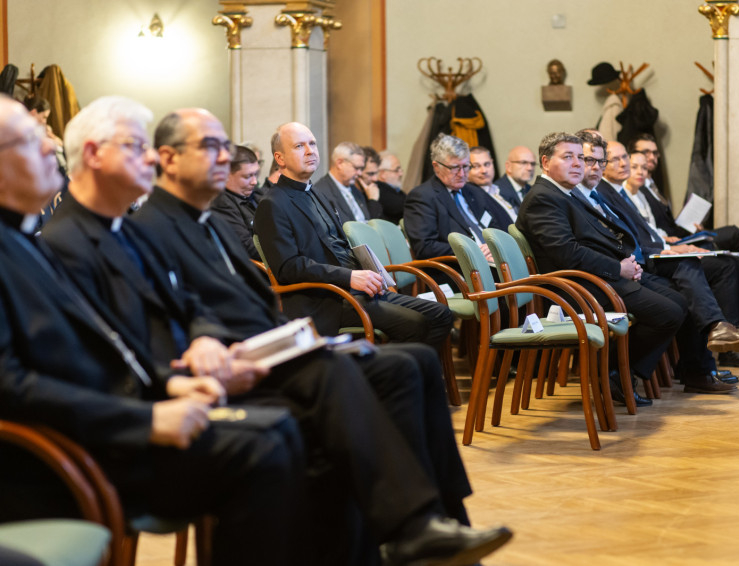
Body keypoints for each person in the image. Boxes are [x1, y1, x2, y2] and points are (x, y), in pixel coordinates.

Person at [41, 98, 512, 565]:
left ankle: (433, 524)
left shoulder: (186, 223)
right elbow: (121, 344)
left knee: (405, 366)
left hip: (246, 355)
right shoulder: (111, 234)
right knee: (335, 386)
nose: (225, 157)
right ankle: (409, 529)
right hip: (193, 390)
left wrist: (214, 337)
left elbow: (191, 309)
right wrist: (191, 368)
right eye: (210, 147)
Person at [0, 94, 302, 566]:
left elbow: (108, 348)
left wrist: (171, 383)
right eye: (28, 139)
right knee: (263, 446)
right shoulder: (46, 242)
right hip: (67, 457)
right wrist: (146, 418)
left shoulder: (25, 241)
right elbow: (11, 385)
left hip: (110, 425)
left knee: (281, 429)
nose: (48, 148)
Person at [516, 132, 739, 395]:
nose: (578, 163)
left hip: (596, 277)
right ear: (546, 162)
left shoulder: (564, 194)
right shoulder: (543, 198)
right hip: (578, 288)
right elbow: (567, 253)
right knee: (669, 312)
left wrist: (626, 263)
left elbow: (595, 240)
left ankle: (621, 373)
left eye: (580, 157)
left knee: (681, 301)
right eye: (568, 157)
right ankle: (612, 370)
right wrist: (618, 267)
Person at [255, 122, 454, 349]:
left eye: (313, 144)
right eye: (299, 146)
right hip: (326, 300)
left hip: (355, 290)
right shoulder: (272, 204)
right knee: (416, 323)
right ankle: (387, 368)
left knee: (441, 314)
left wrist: (372, 272)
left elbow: (339, 246)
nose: (310, 151)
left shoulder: (317, 193)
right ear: (280, 158)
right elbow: (288, 267)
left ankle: (399, 367)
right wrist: (348, 276)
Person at [629, 133, 739, 295]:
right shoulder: (636, 188)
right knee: (733, 234)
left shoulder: (652, 185)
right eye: (645, 152)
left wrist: (689, 226)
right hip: (666, 246)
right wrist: (667, 239)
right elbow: (647, 228)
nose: (651, 157)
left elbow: (664, 224)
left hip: (677, 237)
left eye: (655, 153)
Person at [404, 133, 512, 263]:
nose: (461, 174)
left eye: (465, 166)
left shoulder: (473, 191)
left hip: (494, 259)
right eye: (454, 168)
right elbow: (425, 247)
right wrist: (473, 250)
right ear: (436, 167)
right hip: (459, 267)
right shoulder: (422, 197)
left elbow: (496, 225)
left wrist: (493, 245)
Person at [209, 144, 262, 260]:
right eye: (248, 176)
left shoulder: (258, 194)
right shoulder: (221, 204)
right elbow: (248, 248)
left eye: (256, 174)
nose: (254, 181)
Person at [312, 141, 382, 224]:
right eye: (356, 168)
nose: (359, 173)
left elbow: (369, 220)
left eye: (361, 169)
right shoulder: (321, 192)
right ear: (340, 163)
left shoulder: (354, 188)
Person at [468, 145, 518, 220]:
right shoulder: (471, 198)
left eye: (487, 164)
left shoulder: (499, 190)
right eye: (476, 166)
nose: (484, 171)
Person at [376, 150, 407, 224]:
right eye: (397, 170)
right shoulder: (380, 191)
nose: (401, 174)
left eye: (401, 170)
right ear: (383, 173)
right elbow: (401, 206)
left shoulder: (395, 190)